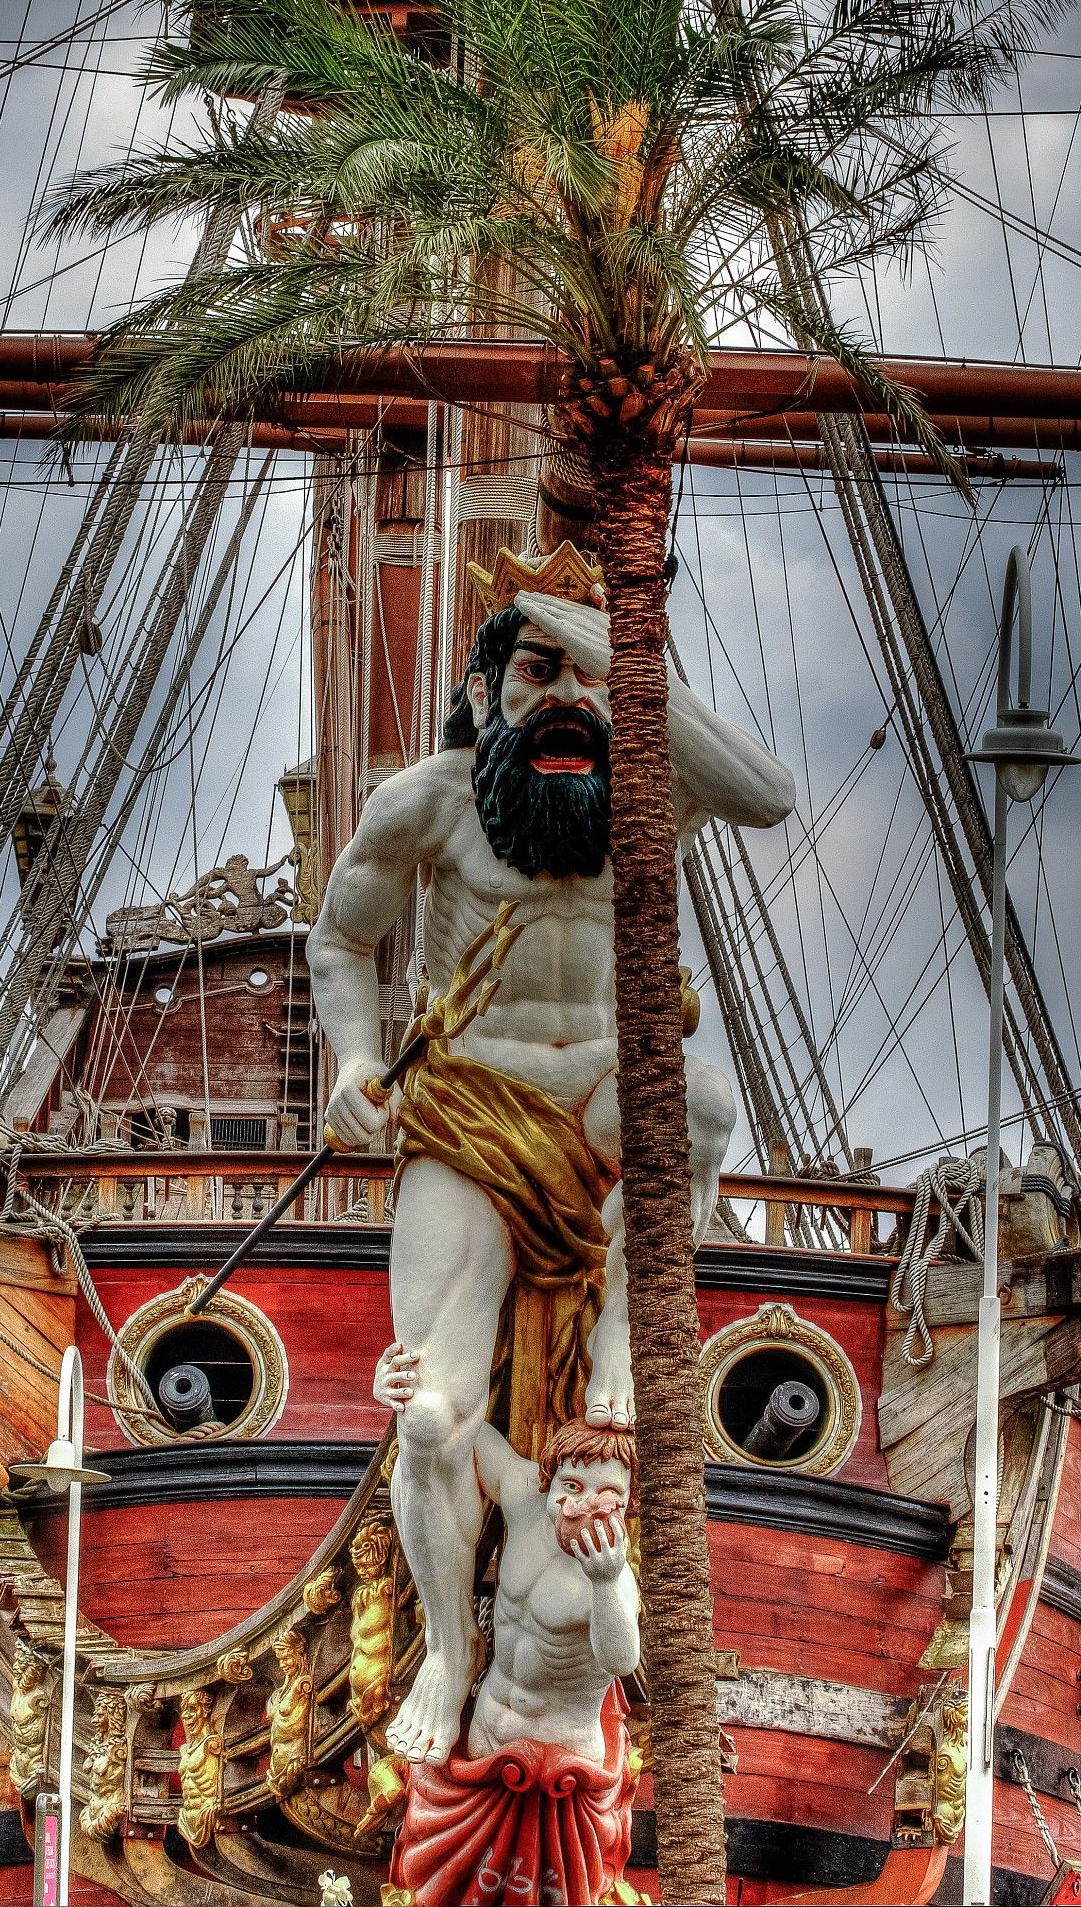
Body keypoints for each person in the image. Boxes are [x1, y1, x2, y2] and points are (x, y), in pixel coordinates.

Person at [308, 542, 793, 1765]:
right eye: (536, 672)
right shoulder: (429, 800)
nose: (562, 698)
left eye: (583, 680)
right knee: (431, 1421)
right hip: (472, 1107)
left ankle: (626, 1343)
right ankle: (448, 1654)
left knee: (699, 1100)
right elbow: (337, 941)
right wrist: (356, 1067)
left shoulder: (652, 795)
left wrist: (614, 657)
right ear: (486, 694)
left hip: (597, 1102)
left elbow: (771, 795)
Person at [375, 1342, 641, 1907]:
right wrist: (397, 1395)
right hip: (488, 1734)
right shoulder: (524, 1500)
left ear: (626, 1506)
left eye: (606, 1495)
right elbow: (451, 1431)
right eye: (571, 1486)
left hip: (563, 1762)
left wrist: (604, 1579)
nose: (583, 1505)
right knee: (445, 1891)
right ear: (549, 1481)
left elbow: (621, 1660)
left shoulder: (614, 1577)